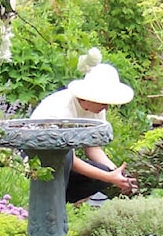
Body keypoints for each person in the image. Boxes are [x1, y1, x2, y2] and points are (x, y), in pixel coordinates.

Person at [30, 63, 139, 203]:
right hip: (39, 164)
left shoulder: (96, 109)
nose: (106, 107)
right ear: (89, 97)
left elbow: (93, 148)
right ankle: (52, 204)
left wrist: (116, 173)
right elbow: (67, 159)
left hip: (64, 163)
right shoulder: (60, 110)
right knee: (97, 174)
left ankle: (63, 204)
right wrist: (109, 177)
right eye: (104, 102)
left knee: (102, 172)